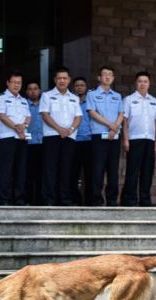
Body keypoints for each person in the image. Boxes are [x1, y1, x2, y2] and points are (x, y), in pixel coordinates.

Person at [39, 66, 82, 206]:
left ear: (69, 80)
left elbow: (78, 117)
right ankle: (49, 199)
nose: (62, 81)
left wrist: (69, 129)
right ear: (55, 80)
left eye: (65, 78)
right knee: (50, 169)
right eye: (59, 78)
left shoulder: (74, 98)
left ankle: (65, 199)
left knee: (66, 168)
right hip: (52, 136)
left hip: (69, 137)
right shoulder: (47, 95)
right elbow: (45, 115)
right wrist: (59, 129)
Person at [121, 71, 156, 207]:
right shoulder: (129, 100)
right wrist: (125, 139)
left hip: (149, 140)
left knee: (147, 171)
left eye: (145, 81)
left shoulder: (154, 101)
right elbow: (125, 121)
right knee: (132, 171)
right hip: (134, 139)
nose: (142, 84)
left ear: (149, 84)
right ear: (136, 83)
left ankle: (145, 200)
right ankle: (129, 200)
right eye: (140, 81)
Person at [86, 66, 124, 206]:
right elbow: (92, 112)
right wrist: (110, 125)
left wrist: (115, 128)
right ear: (99, 78)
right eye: (105, 74)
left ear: (113, 78)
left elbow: (121, 113)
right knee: (98, 168)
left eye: (110, 74)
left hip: (114, 136)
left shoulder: (117, 96)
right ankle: (97, 200)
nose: (107, 77)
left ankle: (112, 200)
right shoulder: (92, 94)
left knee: (113, 169)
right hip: (98, 136)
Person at [0, 71, 31, 205]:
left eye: (19, 83)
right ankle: (4, 199)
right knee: (6, 170)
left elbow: (28, 117)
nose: (16, 85)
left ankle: (19, 198)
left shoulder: (23, 100)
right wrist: (17, 127)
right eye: (14, 82)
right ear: (8, 83)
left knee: (21, 170)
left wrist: (24, 126)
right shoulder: (1, 98)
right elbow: (1, 116)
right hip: (7, 138)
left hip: (22, 138)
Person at [72, 76, 92, 205]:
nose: (79, 87)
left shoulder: (91, 101)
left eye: (82, 85)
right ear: (74, 87)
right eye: (77, 85)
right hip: (73, 140)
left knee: (90, 172)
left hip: (89, 140)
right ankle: (75, 200)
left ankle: (89, 200)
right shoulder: (70, 100)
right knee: (73, 172)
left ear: (86, 87)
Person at [25, 81, 43, 205]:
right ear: (26, 92)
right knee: (27, 174)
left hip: (43, 143)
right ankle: (28, 200)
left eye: (35, 89)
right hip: (27, 143)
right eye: (30, 89)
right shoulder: (23, 104)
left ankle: (41, 200)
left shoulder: (45, 105)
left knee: (42, 174)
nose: (33, 91)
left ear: (40, 91)